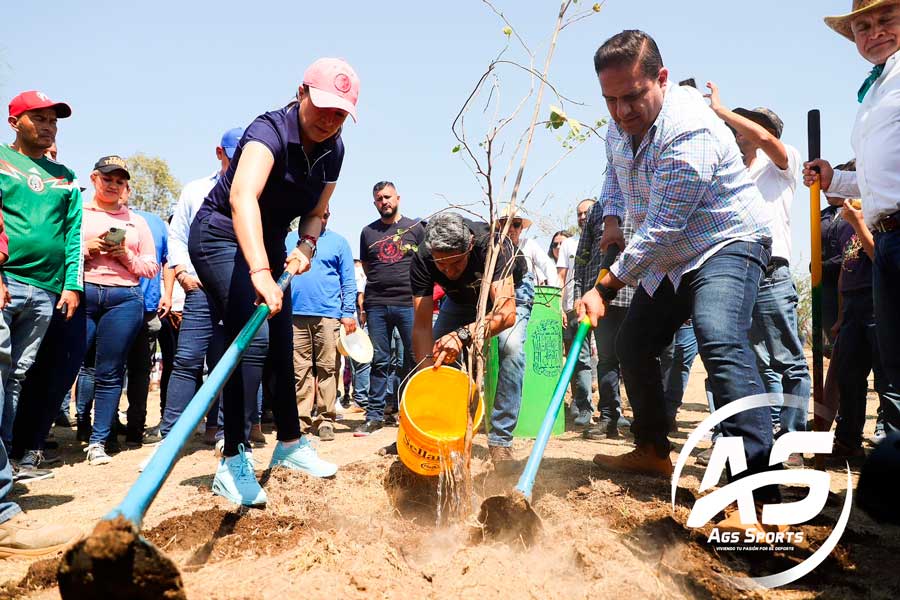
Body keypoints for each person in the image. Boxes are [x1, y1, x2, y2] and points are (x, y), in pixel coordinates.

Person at [578, 31, 779, 535]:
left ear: (661, 79)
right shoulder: (618, 126)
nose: (622, 110)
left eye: (632, 96)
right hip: (672, 258)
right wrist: (611, 220)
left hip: (725, 242)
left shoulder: (691, 130)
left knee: (718, 335)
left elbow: (665, 224)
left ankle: (757, 484)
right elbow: (613, 174)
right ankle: (650, 449)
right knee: (633, 343)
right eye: (611, 99)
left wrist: (604, 287)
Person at [189, 58, 358, 506]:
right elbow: (244, 196)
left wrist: (306, 243)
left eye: (340, 113)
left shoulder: (334, 150)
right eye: (323, 107)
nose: (329, 119)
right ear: (301, 92)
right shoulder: (269, 132)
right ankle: (233, 459)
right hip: (221, 233)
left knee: (281, 336)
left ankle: (289, 444)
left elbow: (318, 211)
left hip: (270, 240)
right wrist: (261, 272)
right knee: (252, 334)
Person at [804, 0, 900, 439]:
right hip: (887, 237)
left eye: (887, 20)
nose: (874, 32)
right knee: (895, 366)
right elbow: (877, 177)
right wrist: (834, 178)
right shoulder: (875, 91)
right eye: (863, 26)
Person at [706, 85, 811, 443]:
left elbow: (764, 138)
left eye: (744, 125)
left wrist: (720, 110)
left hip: (770, 273)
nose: (737, 131)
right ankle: (745, 438)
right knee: (742, 360)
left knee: (788, 361)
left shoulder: (783, 161)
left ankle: (793, 440)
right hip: (735, 273)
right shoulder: (732, 169)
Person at [410, 212, 532, 466]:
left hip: (508, 292)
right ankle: (437, 429)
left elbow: (506, 314)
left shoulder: (493, 244)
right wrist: (428, 378)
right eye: (441, 265)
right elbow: (422, 328)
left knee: (510, 347)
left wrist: (463, 335)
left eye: (456, 263)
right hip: (460, 299)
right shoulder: (422, 257)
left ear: (471, 244)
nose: (449, 271)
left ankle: (500, 441)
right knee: (437, 354)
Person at [0, 91, 82, 453]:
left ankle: (8, 464)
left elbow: (73, 235)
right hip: (6, 282)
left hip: (47, 290)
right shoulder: (2, 161)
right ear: (15, 122)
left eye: (54, 122)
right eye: (40, 119)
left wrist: (72, 285)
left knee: (17, 376)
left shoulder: (65, 178)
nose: (49, 128)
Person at [162, 128, 242, 445]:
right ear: (219, 152)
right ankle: (170, 435)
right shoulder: (195, 190)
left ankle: (225, 432)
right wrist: (182, 271)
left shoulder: (256, 192)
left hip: (236, 288)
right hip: (200, 289)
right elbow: (177, 236)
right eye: (233, 158)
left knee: (229, 361)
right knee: (186, 361)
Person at [79, 156, 159, 465]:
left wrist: (124, 253)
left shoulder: (136, 222)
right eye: (107, 178)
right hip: (82, 293)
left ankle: (99, 441)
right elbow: (64, 252)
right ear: (94, 178)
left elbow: (150, 267)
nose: (113, 185)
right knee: (69, 366)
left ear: (125, 186)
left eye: (119, 181)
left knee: (111, 371)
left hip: (124, 298)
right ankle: (41, 440)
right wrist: (90, 248)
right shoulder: (79, 213)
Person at [830, 191, 900, 457]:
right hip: (851, 306)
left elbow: (879, 258)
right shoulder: (844, 226)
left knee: (888, 380)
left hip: (876, 302)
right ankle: (848, 441)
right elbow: (843, 274)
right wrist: (839, 315)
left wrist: (859, 222)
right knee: (848, 376)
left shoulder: (883, 223)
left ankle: (892, 446)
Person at [355, 181, 423, 436]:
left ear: (398, 197)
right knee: (379, 360)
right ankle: (374, 416)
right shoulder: (367, 232)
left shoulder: (415, 229)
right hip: (377, 305)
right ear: (375, 203)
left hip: (408, 303)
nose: (384, 202)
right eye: (379, 199)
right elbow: (367, 265)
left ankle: (411, 413)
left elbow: (425, 263)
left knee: (414, 359)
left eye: (387, 197)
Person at [286, 210, 357, 441]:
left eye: (326, 215)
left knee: (328, 368)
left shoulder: (339, 243)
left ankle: (326, 419)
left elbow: (348, 280)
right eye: (317, 215)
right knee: (300, 370)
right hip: (294, 314)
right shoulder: (288, 240)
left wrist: (348, 313)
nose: (322, 219)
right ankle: (301, 419)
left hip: (328, 315)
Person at [574, 202, 636, 439]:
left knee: (637, 359)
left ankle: (644, 424)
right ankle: (609, 417)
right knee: (607, 359)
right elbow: (583, 255)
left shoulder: (646, 195)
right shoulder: (597, 210)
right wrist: (580, 294)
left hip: (636, 292)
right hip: (599, 298)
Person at [124, 207, 169, 447]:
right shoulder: (97, 217)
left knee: (137, 371)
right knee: (111, 370)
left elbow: (167, 262)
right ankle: (107, 430)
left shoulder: (155, 223)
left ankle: (132, 429)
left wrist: (167, 294)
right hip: (115, 304)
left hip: (147, 308)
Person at [558, 200, 597, 429]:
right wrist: (560, 308)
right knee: (579, 359)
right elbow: (561, 278)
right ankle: (583, 408)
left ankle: (612, 410)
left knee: (608, 359)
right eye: (579, 213)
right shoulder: (569, 245)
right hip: (575, 309)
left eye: (587, 213)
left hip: (602, 306)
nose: (582, 217)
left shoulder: (602, 241)